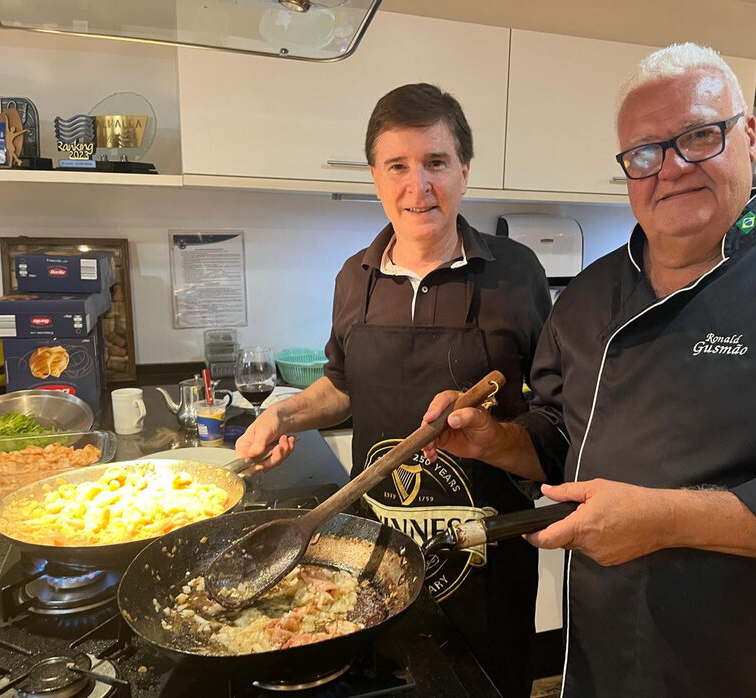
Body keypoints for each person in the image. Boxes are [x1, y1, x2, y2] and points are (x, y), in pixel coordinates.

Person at [421, 43, 756, 696]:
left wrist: (665, 519)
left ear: (748, 134)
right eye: (645, 152)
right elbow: (565, 435)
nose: (671, 168)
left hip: (753, 668)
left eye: (699, 136)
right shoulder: (593, 294)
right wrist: (499, 440)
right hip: (601, 654)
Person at [237, 82, 551, 697]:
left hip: (485, 551)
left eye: (436, 162)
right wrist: (285, 414)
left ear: (464, 170)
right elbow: (342, 388)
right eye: (398, 166)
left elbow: (553, 408)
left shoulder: (518, 274)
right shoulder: (353, 277)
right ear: (375, 177)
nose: (418, 186)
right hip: (373, 548)